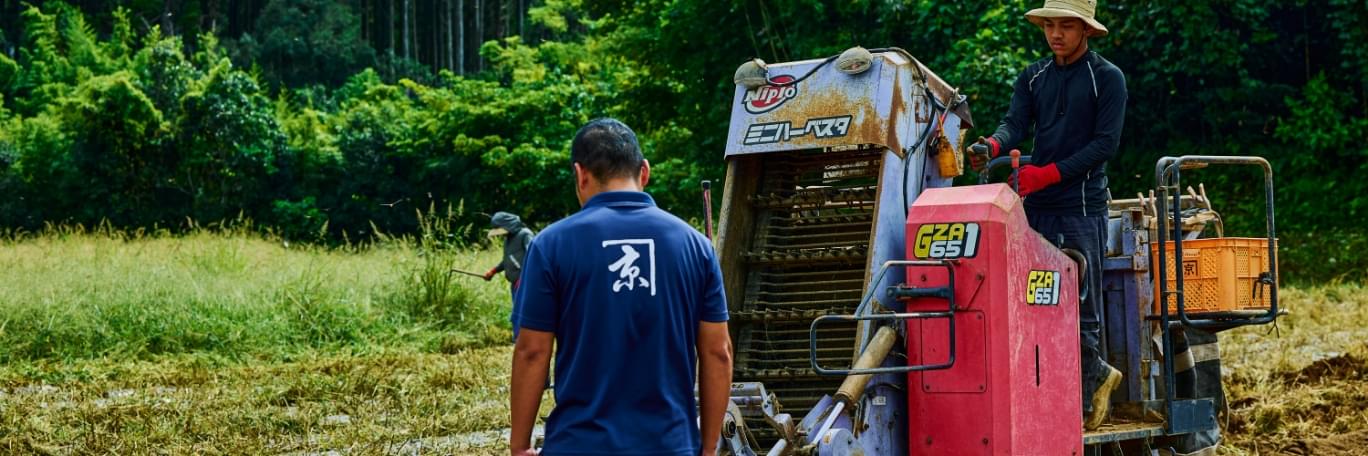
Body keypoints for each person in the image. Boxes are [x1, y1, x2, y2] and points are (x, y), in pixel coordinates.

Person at [508, 118, 733, 456]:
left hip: (579, 444)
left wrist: (519, 445)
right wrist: (708, 447)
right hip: (670, 445)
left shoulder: (551, 245)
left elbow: (532, 351)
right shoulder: (695, 246)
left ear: (580, 175)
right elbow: (718, 352)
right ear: (644, 172)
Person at [968, 0, 1127, 431]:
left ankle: (1079, 401)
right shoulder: (1033, 76)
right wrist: (994, 146)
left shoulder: (1107, 79)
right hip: (1036, 206)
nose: (1056, 34)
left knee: (1081, 303)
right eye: (1049, 26)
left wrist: (1050, 173)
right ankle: (1059, 390)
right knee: (1038, 300)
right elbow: (1014, 123)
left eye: (1066, 26)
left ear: (1086, 31)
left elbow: (1104, 146)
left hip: (1080, 206)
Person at [483, 211, 536, 339]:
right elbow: (507, 260)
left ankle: (522, 339)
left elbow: (533, 256)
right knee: (516, 313)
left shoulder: (525, 234)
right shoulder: (508, 240)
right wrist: (493, 271)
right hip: (515, 283)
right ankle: (517, 338)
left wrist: (524, 278)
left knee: (523, 313)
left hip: (524, 283)